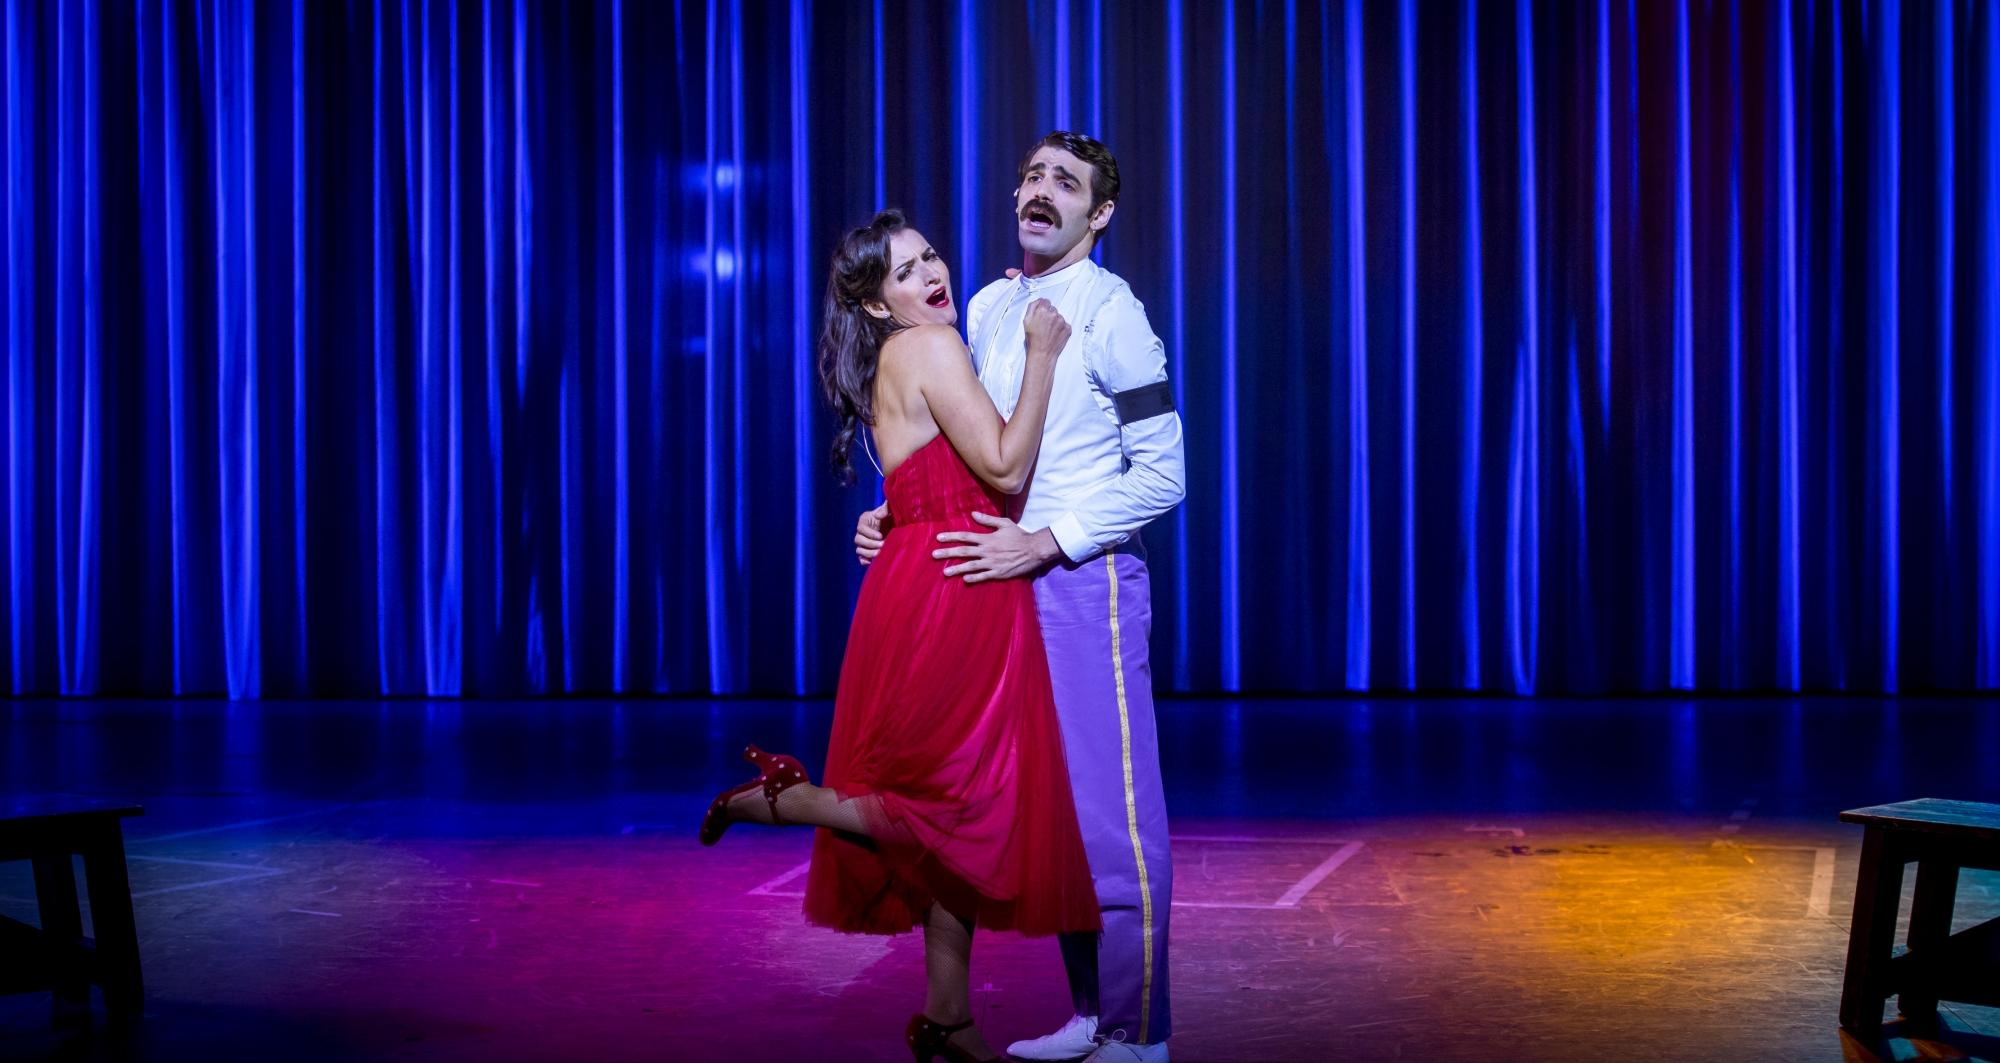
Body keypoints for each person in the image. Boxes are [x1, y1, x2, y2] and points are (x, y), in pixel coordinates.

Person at [702, 208, 1100, 1063]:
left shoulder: (894, 356)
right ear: (879, 304)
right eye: (906, 270)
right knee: (956, 803)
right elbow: (1004, 467)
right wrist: (1040, 355)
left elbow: (927, 478)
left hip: (923, 581)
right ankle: (788, 797)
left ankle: (948, 1014)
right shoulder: (930, 346)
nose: (931, 272)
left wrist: (883, 516)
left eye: (930, 256)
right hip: (957, 589)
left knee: (953, 798)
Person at [855, 132, 1185, 1063]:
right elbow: (971, 445)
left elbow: (1165, 473)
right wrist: (893, 512)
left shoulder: (1114, 312)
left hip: (1081, 582)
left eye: (1066, 183)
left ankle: (1138, 1032)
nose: (1042, 190)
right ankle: (1092, 1012)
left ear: (1099, 213)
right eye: (1034, 175)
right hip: (995, 589)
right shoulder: (990, 305)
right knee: (1055, 816)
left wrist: (1046, 540)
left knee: (1111, 816)